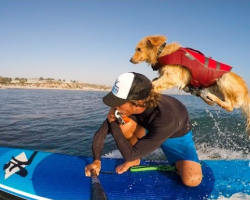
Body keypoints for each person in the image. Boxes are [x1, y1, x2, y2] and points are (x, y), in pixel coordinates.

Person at [85, 72, 202, 187]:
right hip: (149, 129)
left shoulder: (167, 118)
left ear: (138, 103)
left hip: (176, 136)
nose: (115, 107)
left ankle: (181, 162)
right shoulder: (125, 108)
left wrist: (112, 122)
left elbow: (129, 155)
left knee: (192, 180)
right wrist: (96, 161)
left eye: (119, 103)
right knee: (123, 123)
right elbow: (101, 133)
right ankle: (136, 160)